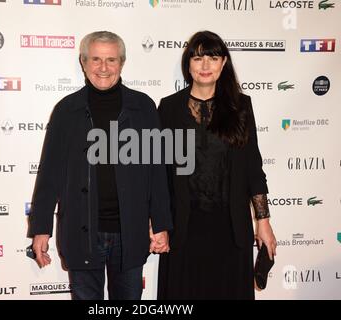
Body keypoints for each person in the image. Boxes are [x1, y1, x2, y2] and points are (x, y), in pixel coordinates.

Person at [27, 31, 172, 300]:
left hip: (130, 232)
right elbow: (49, 174)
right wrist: (40, 228)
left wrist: (161, 222)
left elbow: (156, 172)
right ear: (83, 62)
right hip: (81, 232)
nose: (103, 68)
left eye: (111, 60)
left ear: (122, 63)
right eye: (95, 59)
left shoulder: (143, 108)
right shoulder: (65, 111)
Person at [157, 30, 277, 300]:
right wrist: (158, 221)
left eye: (213, 57)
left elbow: (252, 168)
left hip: (231, 229)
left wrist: (264, 222)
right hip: (184, 228)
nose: (205, 65)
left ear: (224, 63)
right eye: (198, 58)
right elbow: (159, 173)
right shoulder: (168, 108)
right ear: (188, 64)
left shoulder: (240, 107)